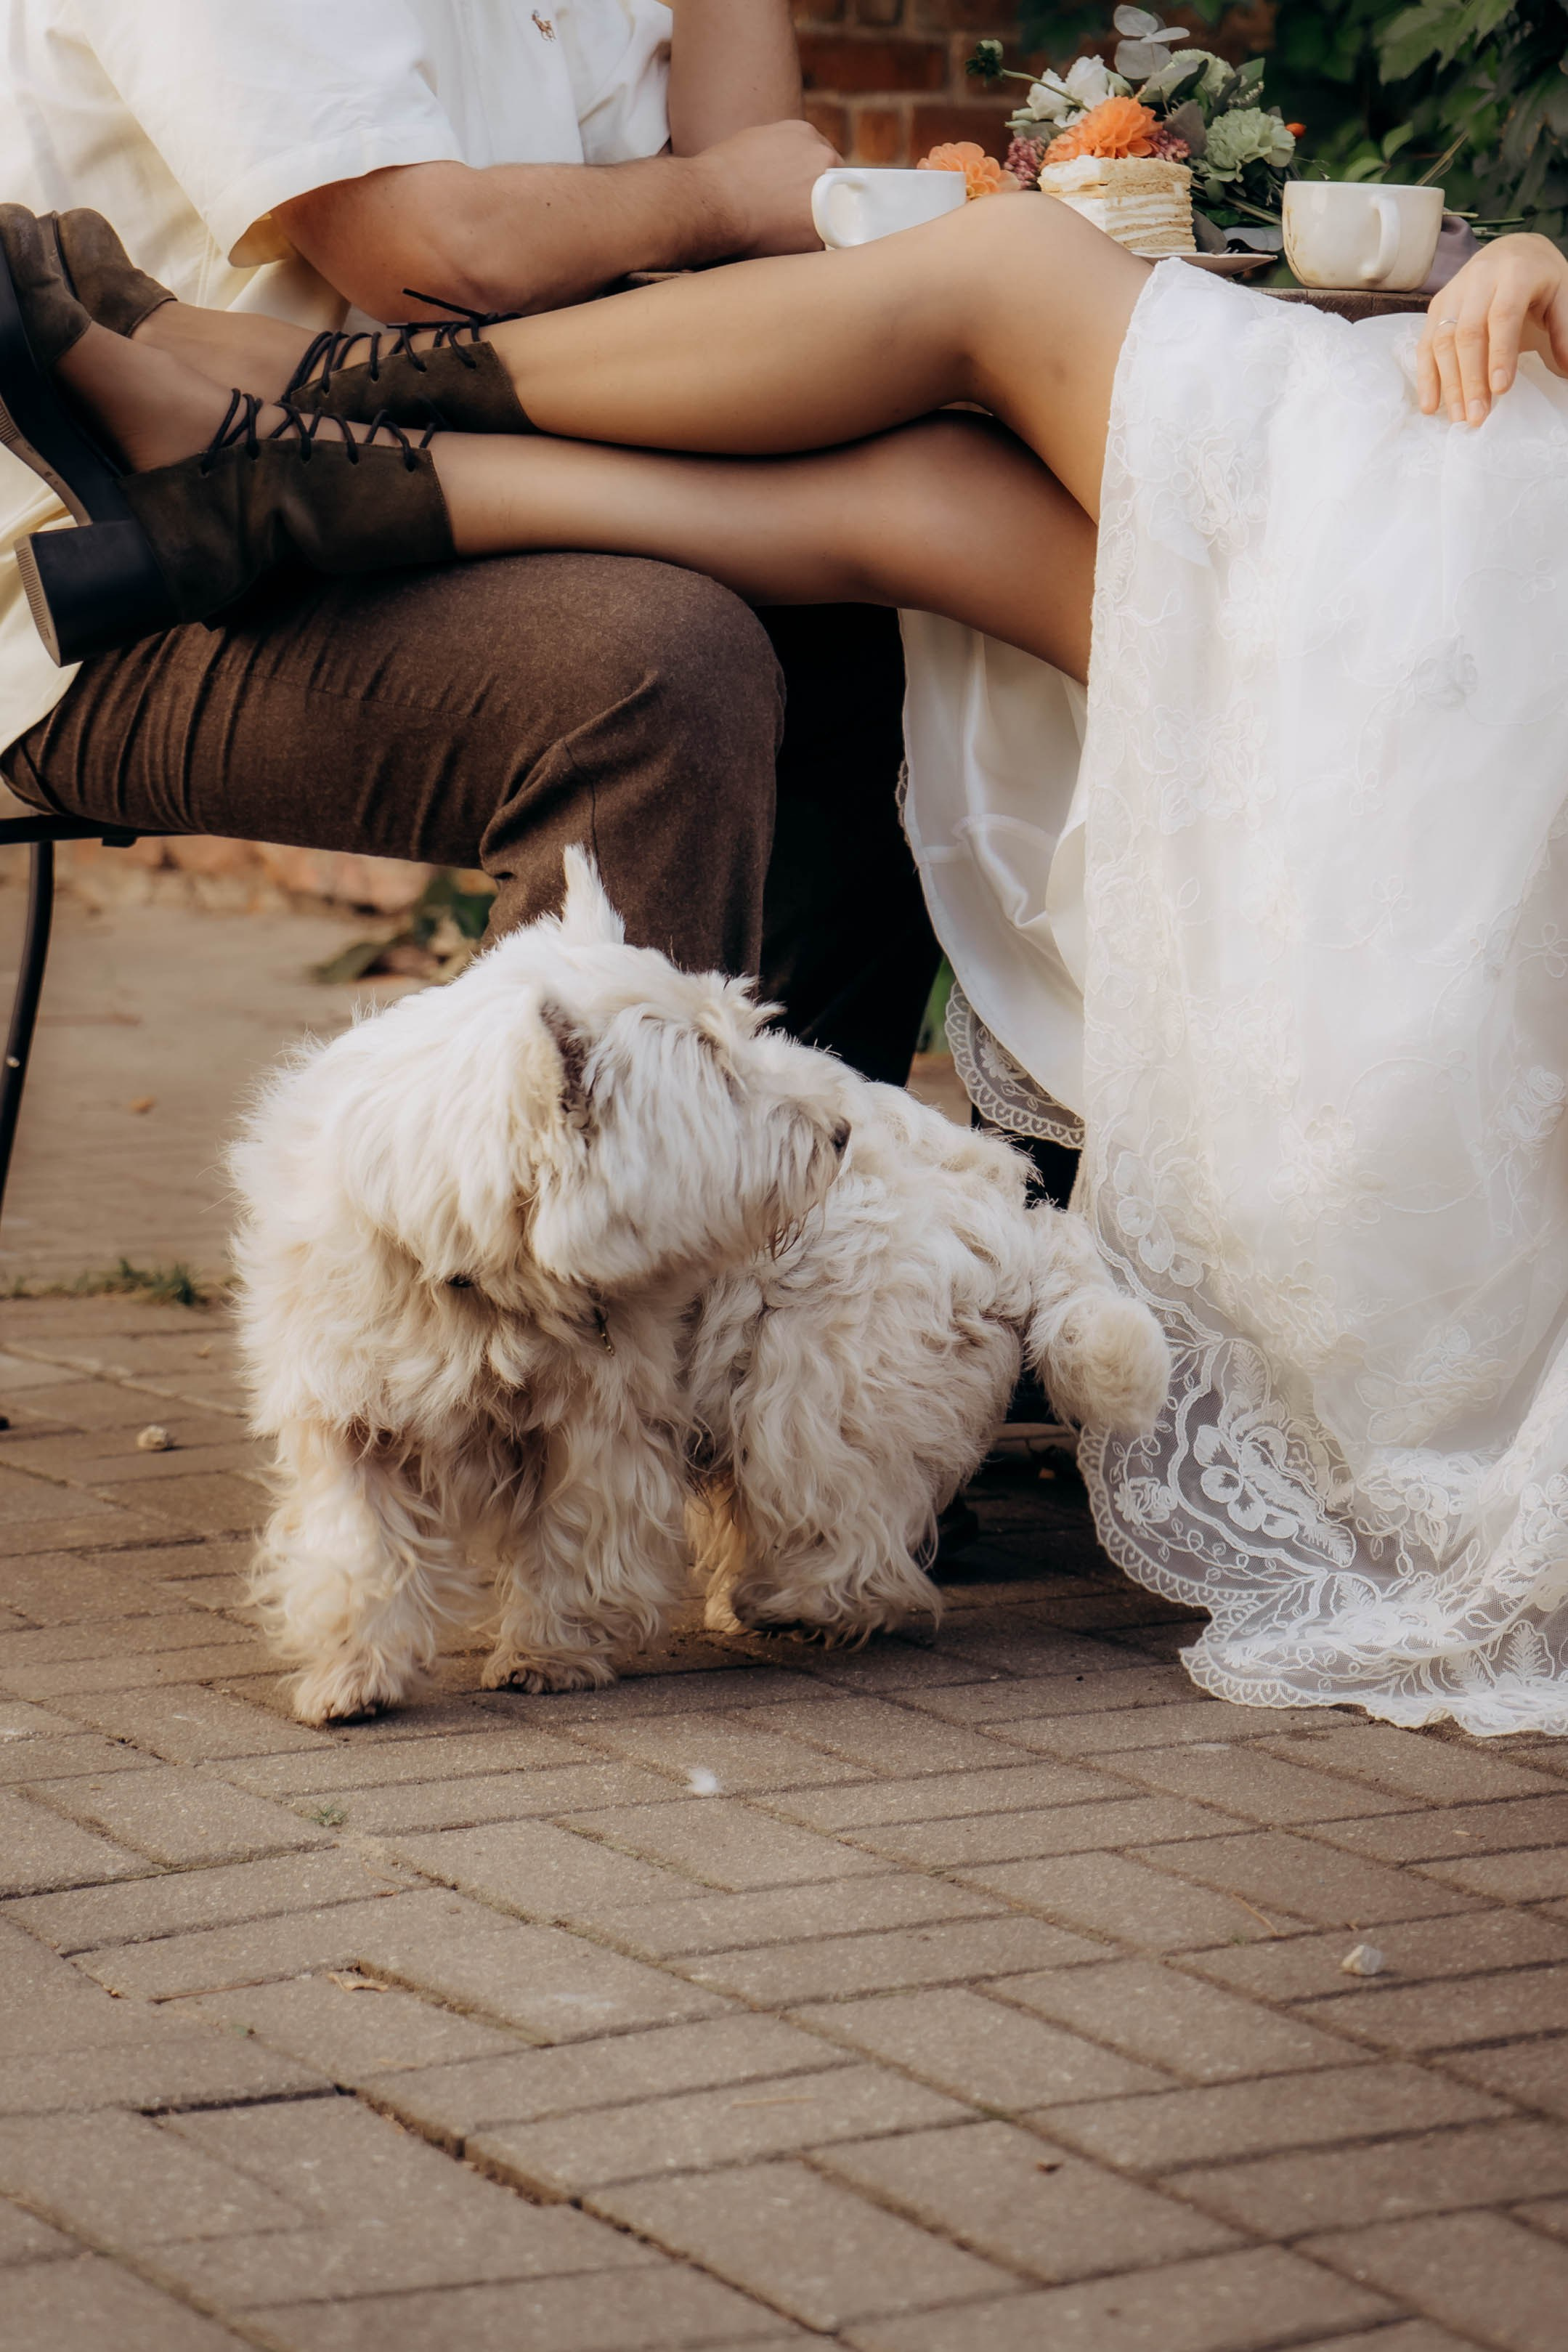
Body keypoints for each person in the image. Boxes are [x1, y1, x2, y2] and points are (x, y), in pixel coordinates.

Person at [7, 192, 1568, 1735]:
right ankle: (286, 458)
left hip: (1496, 678)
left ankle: (289, 438)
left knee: (999, 303)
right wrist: (1541, 256)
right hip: (1509, 548)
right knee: (940, 476)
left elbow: (489, 235)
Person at [0, 0, 940, 1085]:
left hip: (456, 502)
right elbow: (433, 252)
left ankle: (777, 1227)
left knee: (888, 651)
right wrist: (718, 194)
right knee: (653, 668)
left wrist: (725, 187)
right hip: (118, 569)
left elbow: (745, 263)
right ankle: (527, 1244)